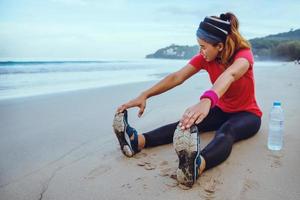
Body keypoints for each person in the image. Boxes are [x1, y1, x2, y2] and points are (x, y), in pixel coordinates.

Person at [113, 12, 262, 188]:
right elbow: (177, 77)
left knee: (226, 131)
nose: (201, 51)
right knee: (185, 123)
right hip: (222, 110)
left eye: (203, 46)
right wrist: (145, 94)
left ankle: (197, 166)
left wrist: (207, 100)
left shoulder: (243, 55)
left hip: (248, 114)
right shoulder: (207, 57)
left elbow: (230, 74)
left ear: (220, 46)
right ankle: (137, 141)